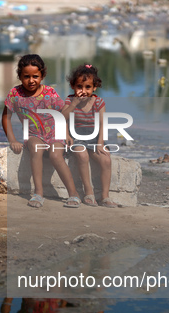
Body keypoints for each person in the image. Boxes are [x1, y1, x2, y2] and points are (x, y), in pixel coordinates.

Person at [1, 54, 81, 208]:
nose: (31, 80)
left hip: (54, 133)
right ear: (19, 76)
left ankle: (73, 193)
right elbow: (6, 118)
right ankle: (38, 193)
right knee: (36, 149)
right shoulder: (15, 94)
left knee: (55, 155)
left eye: (35, 76)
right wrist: (12, 140)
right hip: (34, 135)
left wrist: (66, 133)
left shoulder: (49, 93)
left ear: (42, 75)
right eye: (26, 76)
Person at [61, 64, 118, 208]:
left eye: (88, 87)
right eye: (79, 87)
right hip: (76, 137)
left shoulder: (98, 102)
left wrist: (100, 143)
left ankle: (105, 196)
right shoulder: (69, 101)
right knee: (82, 155)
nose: (83, 91)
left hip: (94, 137)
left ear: (94, 88)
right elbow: (62, 119)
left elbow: (102, 124)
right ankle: (88, 192)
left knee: (106, 160)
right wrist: (73, 105)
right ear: (73, 86)